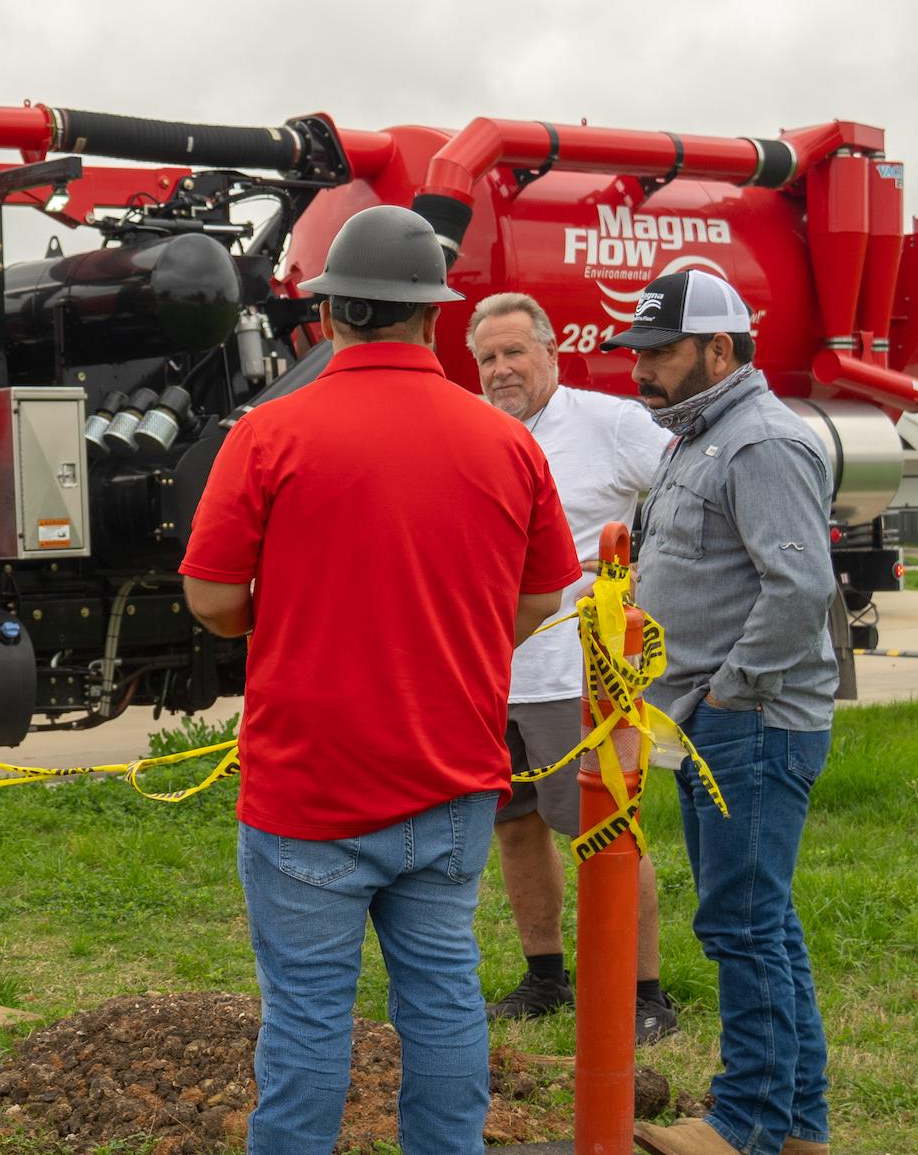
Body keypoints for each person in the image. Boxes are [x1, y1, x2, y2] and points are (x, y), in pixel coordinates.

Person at [181, 206, 581, 1155]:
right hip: (452, 781)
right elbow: (539, 596)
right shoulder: (508, 443)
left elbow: (207, 597)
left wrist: (278, 619)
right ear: (433, 319)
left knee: (310, 1018)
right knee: (443, 999)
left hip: (310, 786)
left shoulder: (268, 434)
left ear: (329, 315)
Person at [606, 270, 836, 1155]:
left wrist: (726, 693)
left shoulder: (759, 443)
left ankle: (746, 1123)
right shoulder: (695, 440)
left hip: (752, 722)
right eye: (639, 352)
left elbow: (800, 588)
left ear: (721, 350)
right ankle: (799, 1127)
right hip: (714, 724)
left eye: (660, 352)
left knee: (742, 922)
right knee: (762, 919)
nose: (643, 368)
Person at [467, 292, 680, 1043]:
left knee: (606, 832)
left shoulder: (609, 423)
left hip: (578, 678)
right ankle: (545, 976)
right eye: (487, 357)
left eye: (514, 352)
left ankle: (645, 992)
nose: (500, 370)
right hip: (492, 675)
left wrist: (649, 578)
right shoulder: (472, 433)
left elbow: (688, 492)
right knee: (515, 829)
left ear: (552, 352)